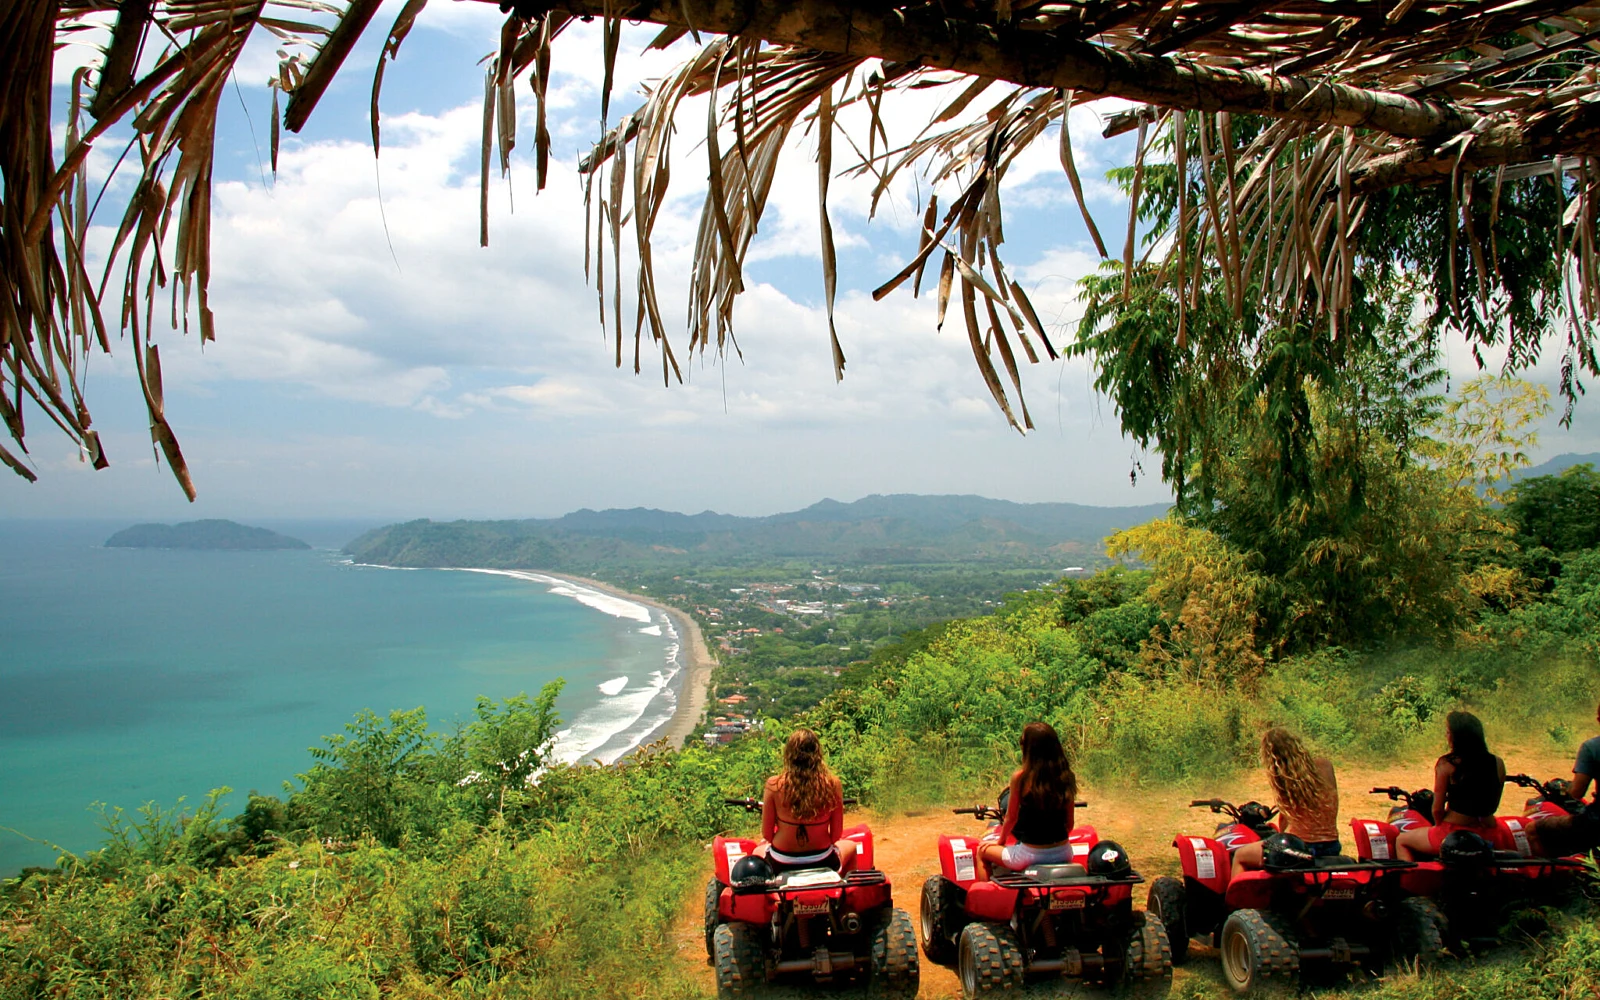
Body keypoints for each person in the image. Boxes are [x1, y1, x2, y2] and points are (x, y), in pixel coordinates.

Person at [1397, 711, 1508, 860]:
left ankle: (1409, 881)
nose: (1446, 736)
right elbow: (1494, 802)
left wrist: (1438, 826)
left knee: (1401, 840)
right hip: (1489, 831)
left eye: (1448, 732)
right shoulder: (1497, 762)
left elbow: (1437, 809)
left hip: (1453, 833)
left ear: (1458, 737)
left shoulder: (1447, 764)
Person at [1232, 728, 1341, 876]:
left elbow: (1284, 819)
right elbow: (1332, 802)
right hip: (1332, 845)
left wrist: (1279, 837)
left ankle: (1236, 899)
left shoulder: (1284, 777)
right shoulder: (1325, 765)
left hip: (1301, 847)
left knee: (1239, 855)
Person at [978, 722, 1078, 872]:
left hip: (1029, 855)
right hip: (1064, 852)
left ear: (1030, 749)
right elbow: (1069, 824)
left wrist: (1000, 842)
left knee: (981, 852)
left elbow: (1011, 818)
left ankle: (986, 894)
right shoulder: (1066, 777)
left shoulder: (1021, 778)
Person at [757, 728, 857, 873]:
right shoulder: (832, 784)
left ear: (789, 754)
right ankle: (848, 893)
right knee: (852, 847)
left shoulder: (774, 785)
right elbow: (836, 836)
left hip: (781, 860)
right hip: (823, 859)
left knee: (757, 851)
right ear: (817, 753)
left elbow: (767, 835)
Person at [1565, 701, 1600, 805]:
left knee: (1541, 822)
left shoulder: (1591, 747)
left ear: (1599, 720)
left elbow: (1577, 792)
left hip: (1597, 814)